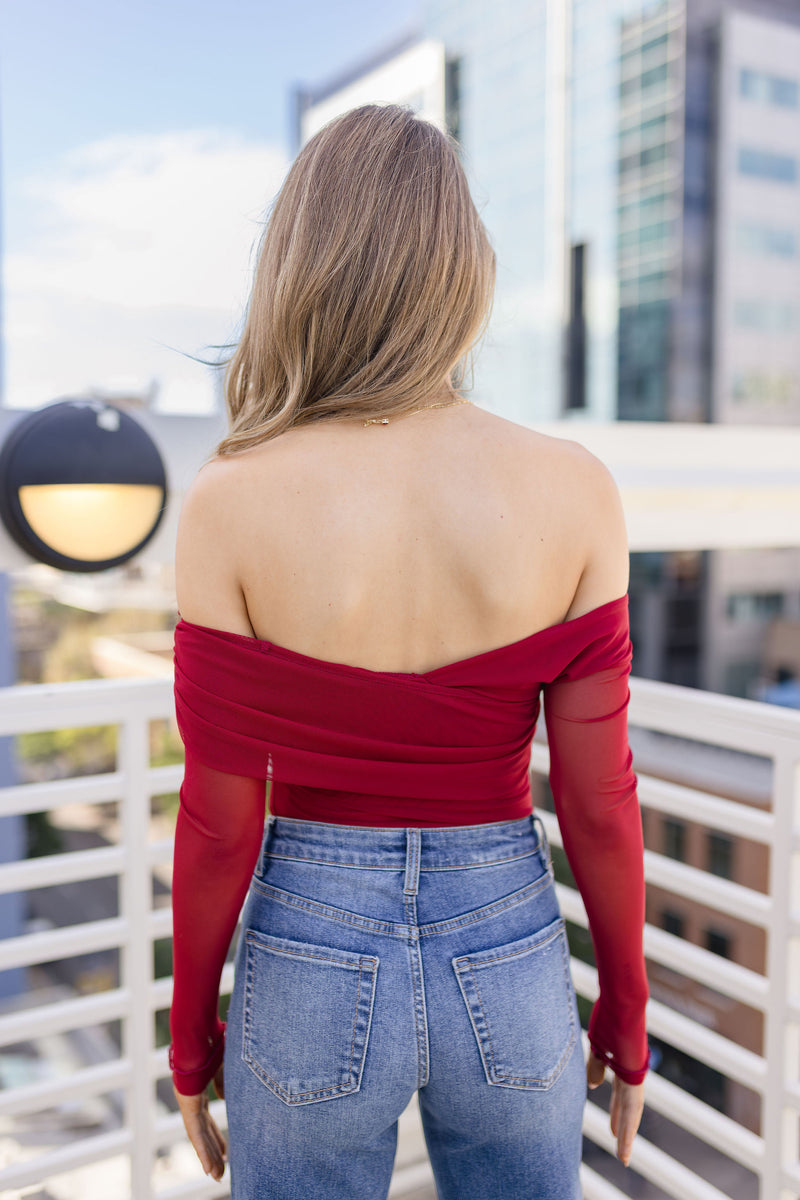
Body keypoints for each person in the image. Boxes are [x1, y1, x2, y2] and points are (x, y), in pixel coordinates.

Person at [168, 103, 649, 1199]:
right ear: (461, 272)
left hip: (306, 946)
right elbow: (596, 799)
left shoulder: (231, 500)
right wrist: (625, 1016)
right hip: (508, 940)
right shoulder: (573, 487)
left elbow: (217, 821)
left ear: (299, 265)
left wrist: (190, 1043)